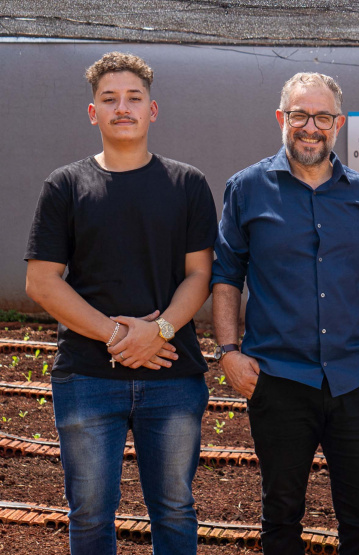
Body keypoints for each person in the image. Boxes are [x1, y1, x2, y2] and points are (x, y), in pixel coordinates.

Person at [24, 51, 217, 554]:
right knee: (89, 514)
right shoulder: (65, 186)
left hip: (173, 375)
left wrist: (161, 331)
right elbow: (42, 282)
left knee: (175, 509)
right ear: (94, 113)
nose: (122, 107)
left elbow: (200, 274)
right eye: (109, 99)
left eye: (134, 98)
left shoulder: (188, 184)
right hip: (87, 377)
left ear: (153, 110)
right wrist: (116, 336)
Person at [211, 72, 359, 554]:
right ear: (281, 119)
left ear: (339, 124)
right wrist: (228, 351)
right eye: (299, 115)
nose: (310, 127)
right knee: (281, 515)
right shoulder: (246, 189)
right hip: (278, 379)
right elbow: (227, 275)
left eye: (323, 117)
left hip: (355, 379)